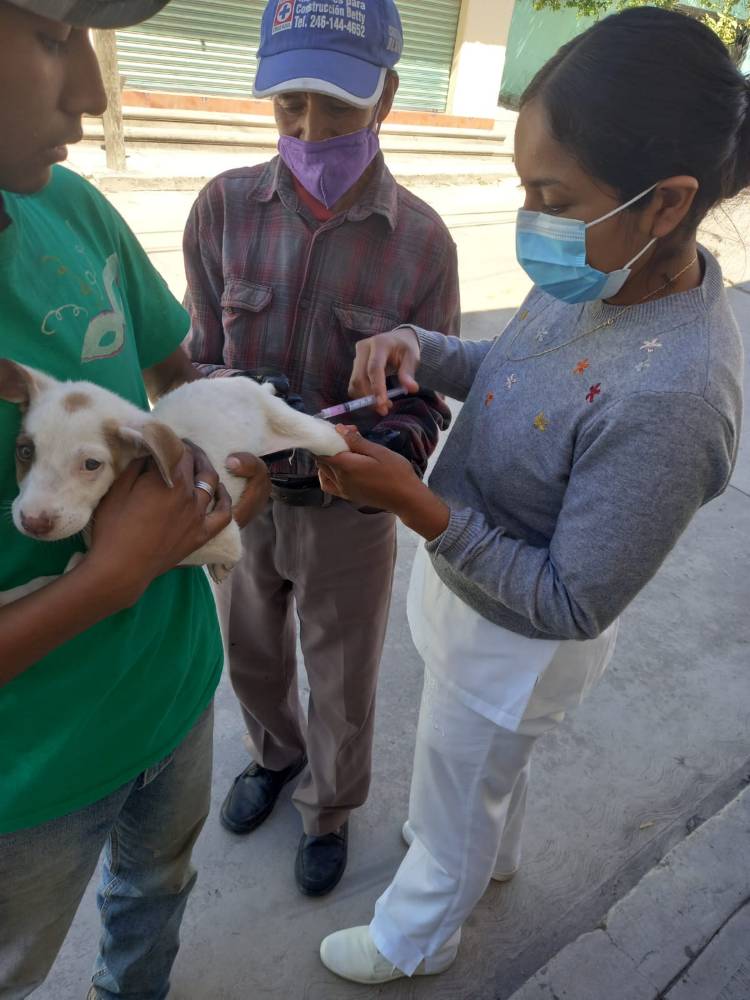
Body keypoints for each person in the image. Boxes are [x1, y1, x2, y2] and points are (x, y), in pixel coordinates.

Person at [314, 7, 747, 983]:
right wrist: (422, 350)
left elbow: (571, 597)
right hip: (475, 595)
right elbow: (516, 370)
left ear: (665, 204)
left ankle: (416, 935)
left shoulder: (675, 395)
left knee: (455, 780)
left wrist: (413, 502)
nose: (530, 221)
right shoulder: (601, 267)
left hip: (519, 639)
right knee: (473, 775)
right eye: (524, 188)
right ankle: (485, 853)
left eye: (551, 194)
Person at [0, 3, 269, 998]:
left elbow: (179, 381)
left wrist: (224, 482)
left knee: (157, 888)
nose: (94, 93)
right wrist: (113, 578)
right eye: (48, 31)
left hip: (174, 690)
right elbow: (118, 571)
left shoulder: (68, 209)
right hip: (27, 777)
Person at [183, 0, 459, 896]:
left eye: (337, 104)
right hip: (244, 502)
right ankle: (273, 758)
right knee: (253, 653)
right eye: (289, 104)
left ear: (387, 94)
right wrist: (231, 412)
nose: (310, 129)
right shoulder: (222, 208)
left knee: (344, 676)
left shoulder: (422, 242)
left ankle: (332, 808)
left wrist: (378, 458)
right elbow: (194, 358)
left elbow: (425, 397)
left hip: (347, 515)